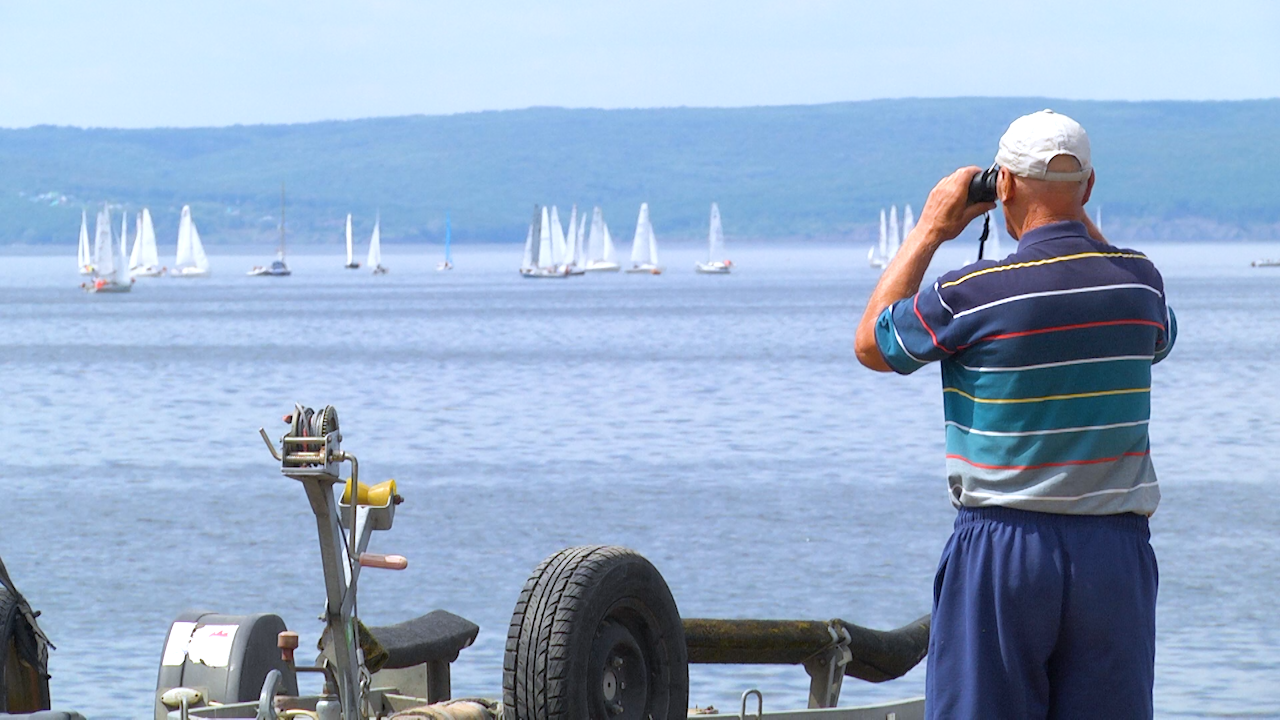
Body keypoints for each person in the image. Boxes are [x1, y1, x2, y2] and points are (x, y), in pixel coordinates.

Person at [854, 110, 1176, 719]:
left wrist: (930, 227)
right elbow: (1158, 337)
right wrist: (1073, 216)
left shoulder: (970, 294)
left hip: (1004, 549)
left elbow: (872, 345)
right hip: (1116, 553)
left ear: (1001, 185)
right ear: (1089, 188)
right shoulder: (1142, 286)